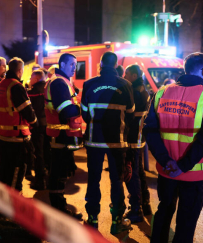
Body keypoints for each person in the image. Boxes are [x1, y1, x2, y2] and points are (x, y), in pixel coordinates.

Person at [144, 52, 203, 243]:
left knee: (164, 212)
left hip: (166, 170)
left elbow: (150, 131)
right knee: (186, 224)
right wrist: (184, 165)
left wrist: (166, 160)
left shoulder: (160, 93)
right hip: (194, 174)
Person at [82, 52, 134, 234]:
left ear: (101, 64)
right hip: (117, 142)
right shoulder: (126, 85)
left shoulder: (89, 84)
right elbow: (131, 113)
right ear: (116, 64)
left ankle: (92, 219)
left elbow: (85, 114)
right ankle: (117, 220)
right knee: (116, 180)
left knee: (93, 179)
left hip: (94, 141)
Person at [45, 53, 83, 220]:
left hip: (61, 135)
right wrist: (83, 108)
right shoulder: (59, 83)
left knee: (61, 173)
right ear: (62, 64)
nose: (75, 67)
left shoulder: (62, 81)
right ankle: (59, 210)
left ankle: (59, 207)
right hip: (60, 136)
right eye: (71, 64)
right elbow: (66, 110)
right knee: (58, 174)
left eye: (76, 64)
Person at [0, 57, 37, 191]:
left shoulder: (0, 84)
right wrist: (34, 122)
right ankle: (13, 202)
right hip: (18, 135)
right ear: (20, 71)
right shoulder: (16, 86)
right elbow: (27, 111)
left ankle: (3, 199)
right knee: (17, 169)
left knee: (5, 169)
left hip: (3, 134)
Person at [122, 64, 152, 223]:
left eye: (127, 74)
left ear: (133, 75)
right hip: (139, 136)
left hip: (132, 137)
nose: (125, 76)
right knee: (139, 171)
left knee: (131, 173)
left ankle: (135, 209)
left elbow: (128, 114)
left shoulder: (133, 91)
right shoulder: (143, 89)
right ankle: (145, 204)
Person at [27, 69, 48, 190]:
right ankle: (50, 177)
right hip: (49, 124)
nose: (30, 80)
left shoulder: (32, 92)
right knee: (48, 151)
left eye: (31, 77)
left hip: (37, 125)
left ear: (35, 79)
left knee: (38, 152)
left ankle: (40, 181)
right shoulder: (49, 89)